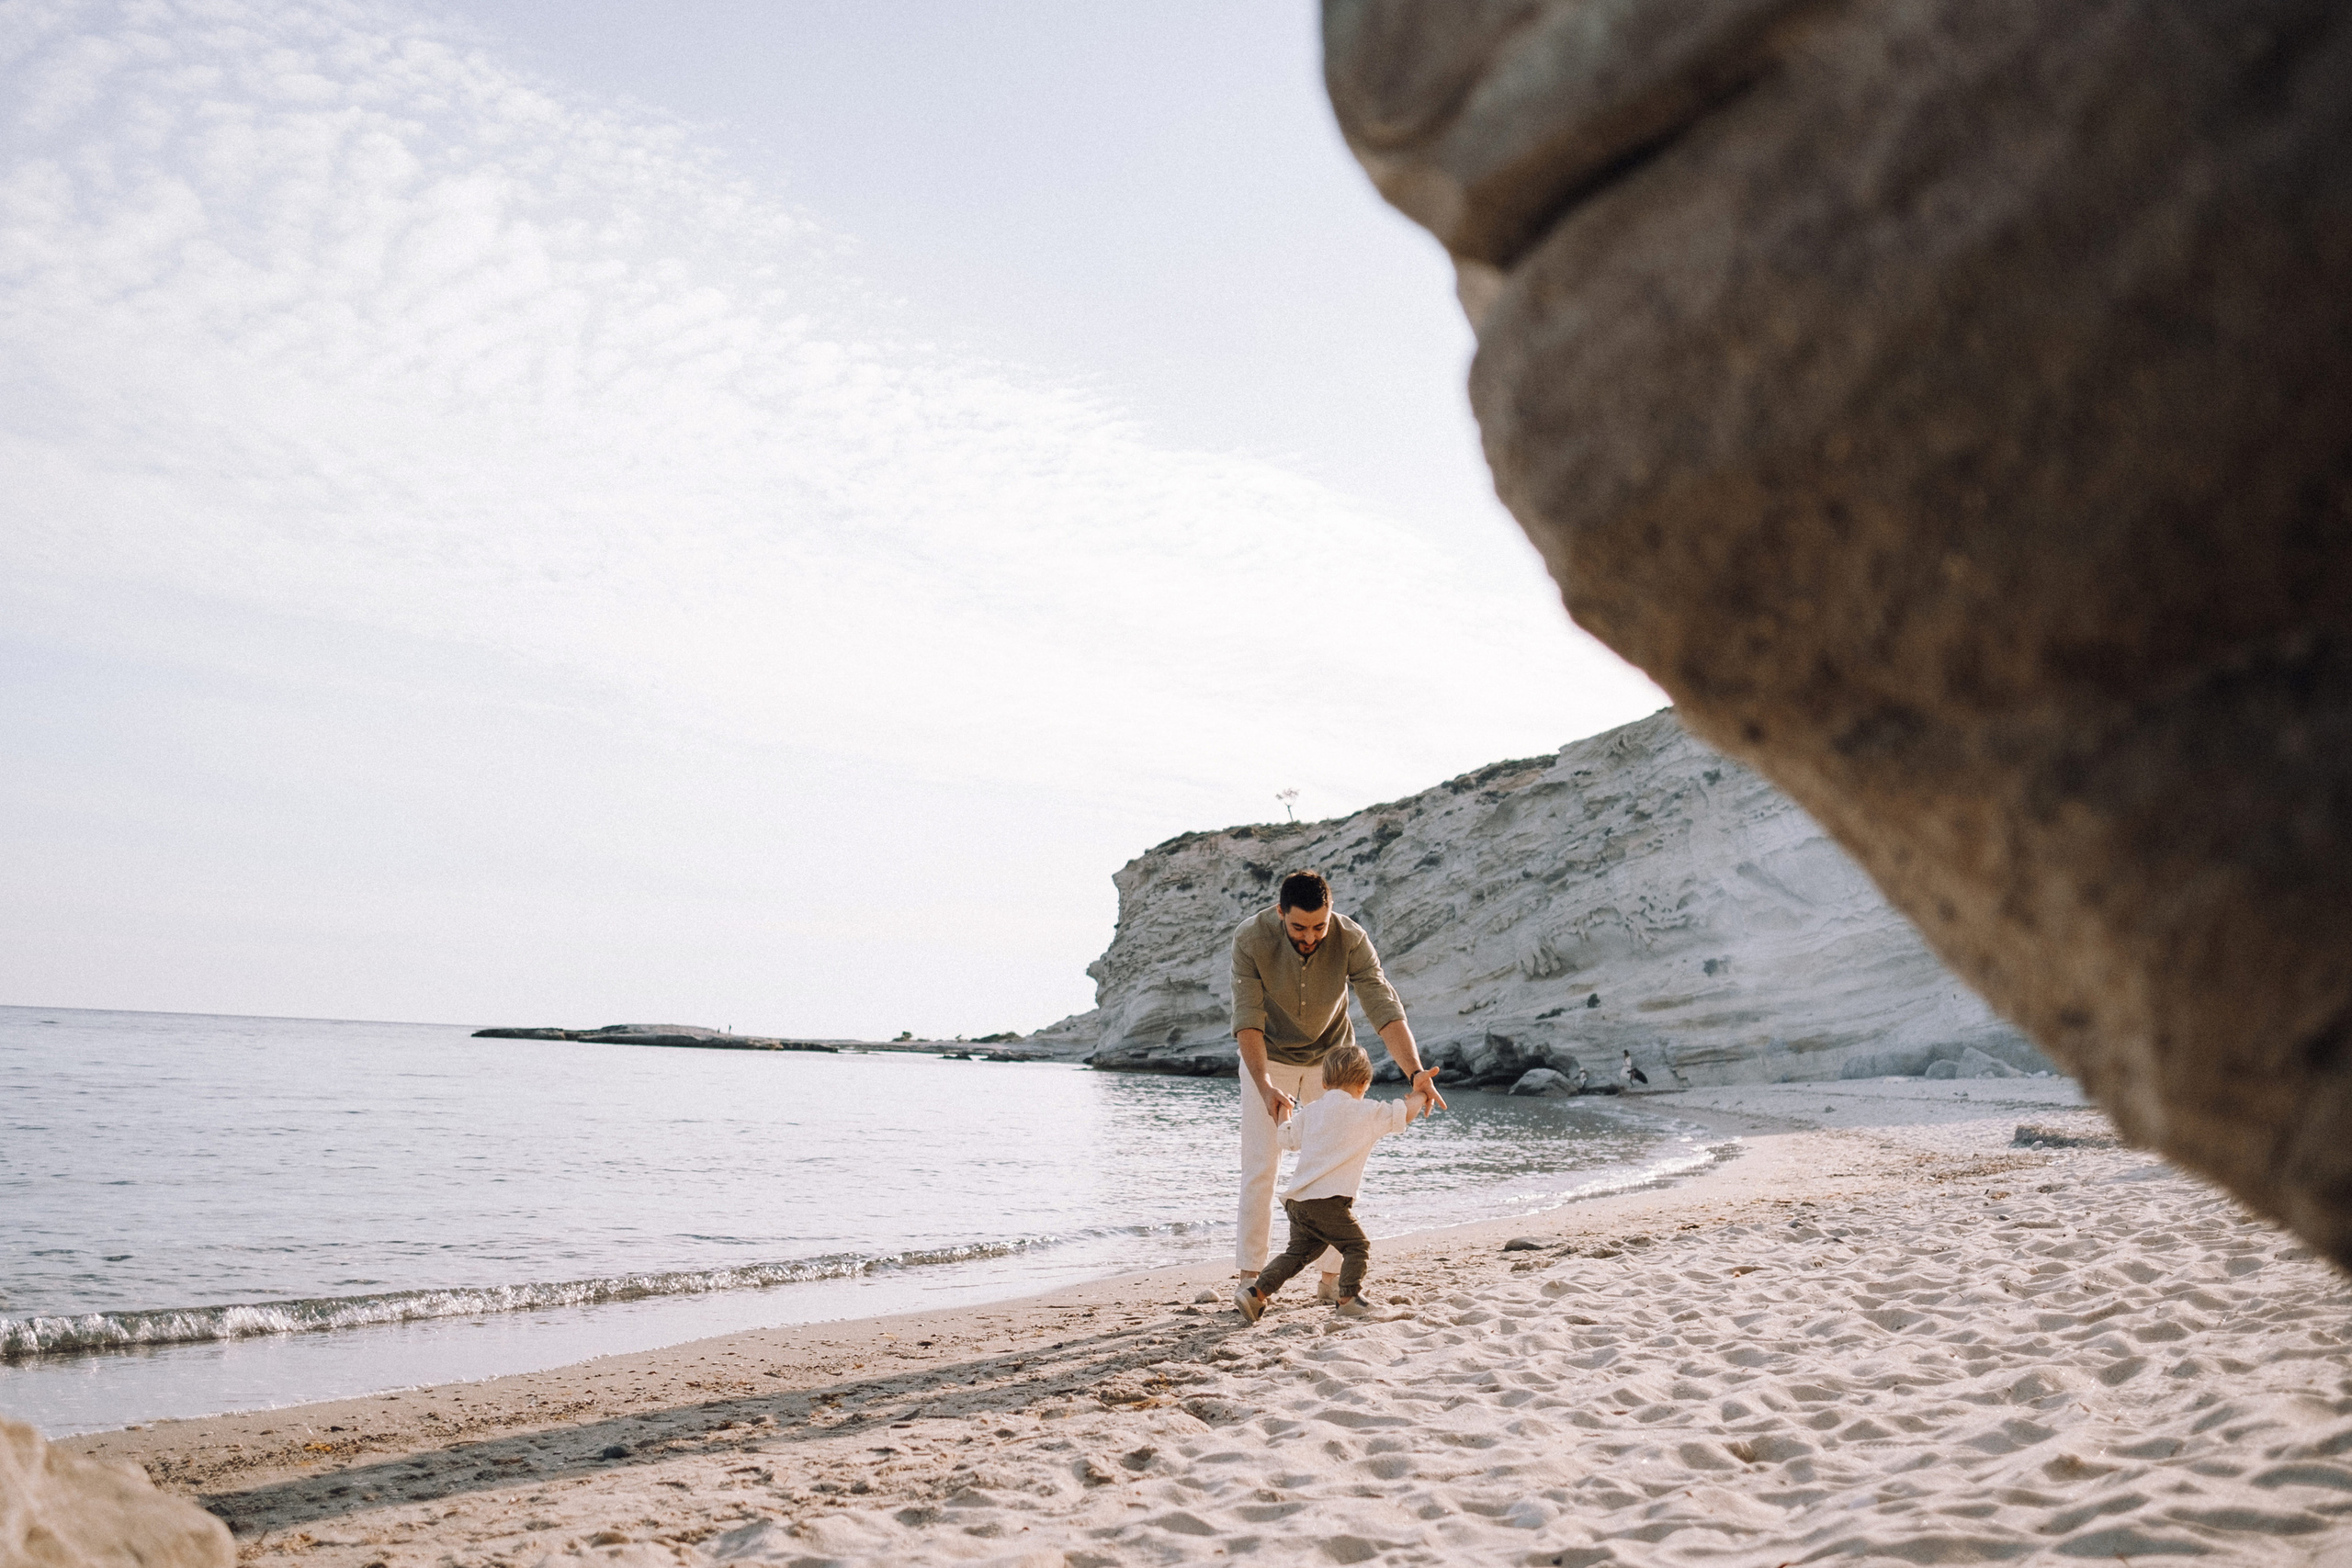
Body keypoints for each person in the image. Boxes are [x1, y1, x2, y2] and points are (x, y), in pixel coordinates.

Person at [1230, 867, 1444, 1298]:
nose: (1310, 936)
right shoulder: (1251, 938)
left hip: (1334, 1063)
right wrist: (1265, 1085)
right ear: (1280, 913)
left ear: (1330, 913)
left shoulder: (1351, 938)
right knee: (1261, 1168)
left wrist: (1416, 1072)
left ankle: (1330, 1281)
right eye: (1298, 927)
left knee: (1340, 1169)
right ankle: (1252, 1281)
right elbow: (1248, 1020)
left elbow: (1382, 1004)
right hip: (1268, 1059)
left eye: (1319, 926)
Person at [1233, 1043, 1430, 1321]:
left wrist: (1286, 1109)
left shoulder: (1311, 1112)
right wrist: (1421, 1094)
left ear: (1324, 1082)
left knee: (1297, 1255)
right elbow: (1404, 1113)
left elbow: (1287, 1139)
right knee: (1356, 1246)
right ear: (1365, 1084)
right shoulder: (1369, 1112)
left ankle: (1255, 1294)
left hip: (1298, 1203)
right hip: (1329, 1204)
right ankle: (1348, 1297)